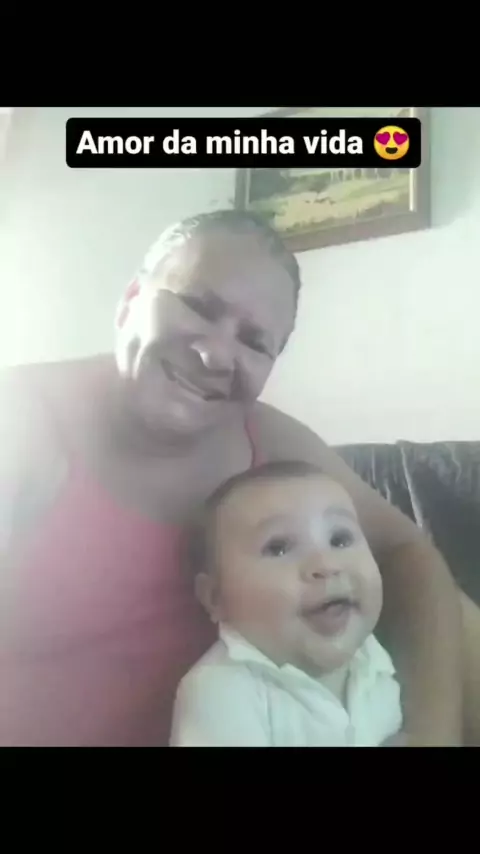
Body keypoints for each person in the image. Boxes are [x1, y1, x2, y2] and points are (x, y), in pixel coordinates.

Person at [0, 208, 477, 746]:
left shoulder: (264, 440)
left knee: (456, 611)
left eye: (254, 341)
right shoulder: (20, 419)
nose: (215, 354)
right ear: (132, 298)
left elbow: (407, 553)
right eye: (198, 306)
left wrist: (431, 733)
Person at [170, 461, 404, 747]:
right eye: (278, 548)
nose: (327, 564)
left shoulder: (374, 660)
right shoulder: (221, 692)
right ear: (216, 597)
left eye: (340, 539)